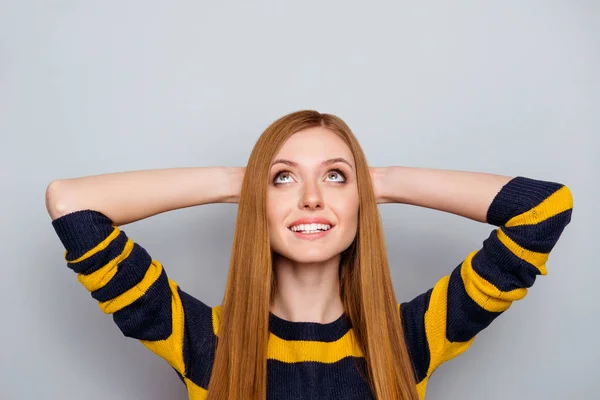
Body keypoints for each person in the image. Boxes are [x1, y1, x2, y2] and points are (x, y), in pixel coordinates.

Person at [46, 110, 573, 400]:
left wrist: (380, 180)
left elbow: (543, 210)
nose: (312, 197)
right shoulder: (202, 341)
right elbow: (71, 204)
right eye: (284, 178)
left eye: (336, 176)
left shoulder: (411, 338)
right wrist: (242, 180)